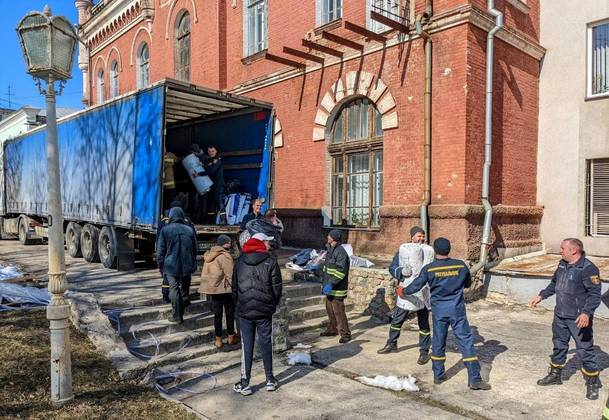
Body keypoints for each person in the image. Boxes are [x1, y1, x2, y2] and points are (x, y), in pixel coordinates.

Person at [403, 237, 490, 390]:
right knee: (466, 341)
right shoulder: (461, 266)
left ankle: (438, 375)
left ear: (435, 250)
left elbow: (416, 286)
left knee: (438, 341)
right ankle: (475, 379)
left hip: (439, 311)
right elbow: (468, 283)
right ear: (449, 249)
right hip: (457, 310)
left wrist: (403, 291)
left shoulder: (429, 269)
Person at [530, 238, 602, 400]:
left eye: (563, 248)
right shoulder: (562, 264)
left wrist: (586, 313)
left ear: (573, 251)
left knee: (585, 350)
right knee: (559, 345)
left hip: (578, 319)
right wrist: (542, 295)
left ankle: (593, 382)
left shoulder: (588, 269)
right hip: (560, 315)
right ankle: (555, 375)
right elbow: (554, 283)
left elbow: (595, 295)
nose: (560, 251)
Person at [232, 232, 283, 396]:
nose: (269, 245)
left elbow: (234, 287)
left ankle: (244, 383)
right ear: (261, 243)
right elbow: (277, 288)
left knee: (246, 345)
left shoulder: (239, 261)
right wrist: (271, 304)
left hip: (245, 310)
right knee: (266, 343)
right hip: (264, 310)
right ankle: (270, 380)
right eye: (267, 242)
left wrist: (239, 304)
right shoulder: (270, 261)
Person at [378, 226, 433, 366]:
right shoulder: (403, 251)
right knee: (397, 319)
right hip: (405, 289)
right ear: (412, 237)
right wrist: (401, 271)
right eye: (418, 236)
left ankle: (424, 351)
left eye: (423, 236)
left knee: (424, 323)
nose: (421, 239)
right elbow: (393, 267)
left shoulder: (428, 251)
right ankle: (392, 343)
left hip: (423, 292)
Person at [156, 207, 198, 324]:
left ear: (171, 216)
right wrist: (192, 261)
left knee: (173, 288)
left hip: (170, 265)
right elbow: (195, 248)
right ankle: (183, 306)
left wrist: (160, 265)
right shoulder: (189, 230)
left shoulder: (165, 230)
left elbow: (160, 251)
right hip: (187, 264)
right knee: (185, 287)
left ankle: (177, 315)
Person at [199, 234, 237, 350]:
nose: (230, 244)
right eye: (228, 242)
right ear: (223, 244)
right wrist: (235, 288)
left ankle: (218, 339)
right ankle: (231, 336)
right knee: (229, 313)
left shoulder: (209, 255)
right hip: (224, 289)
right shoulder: (225, 256)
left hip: (212, 289)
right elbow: (230, 275)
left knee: (217, 314)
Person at [320, 229, 351, 344]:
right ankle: (332, 329)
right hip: (329, 287)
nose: (327, 236)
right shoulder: (330, 249)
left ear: (334, 238)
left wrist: (331, 283)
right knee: (330, 310)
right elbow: (328, 267)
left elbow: (341, 271)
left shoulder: (340, 252)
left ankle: (345, 334)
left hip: (337, 288)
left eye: (329, 235)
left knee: (339, 312)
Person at [202, 145, 226, 224]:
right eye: (209, 151)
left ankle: (223, 220)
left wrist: (199, 174)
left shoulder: (217, 160)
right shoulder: (209, 160)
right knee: (211, 204)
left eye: (212, 151)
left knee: (220, 203)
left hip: (218, 185)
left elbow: (211, 171)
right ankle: (210, 221)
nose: (211, 153)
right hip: (211, 186)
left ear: (216, 151)